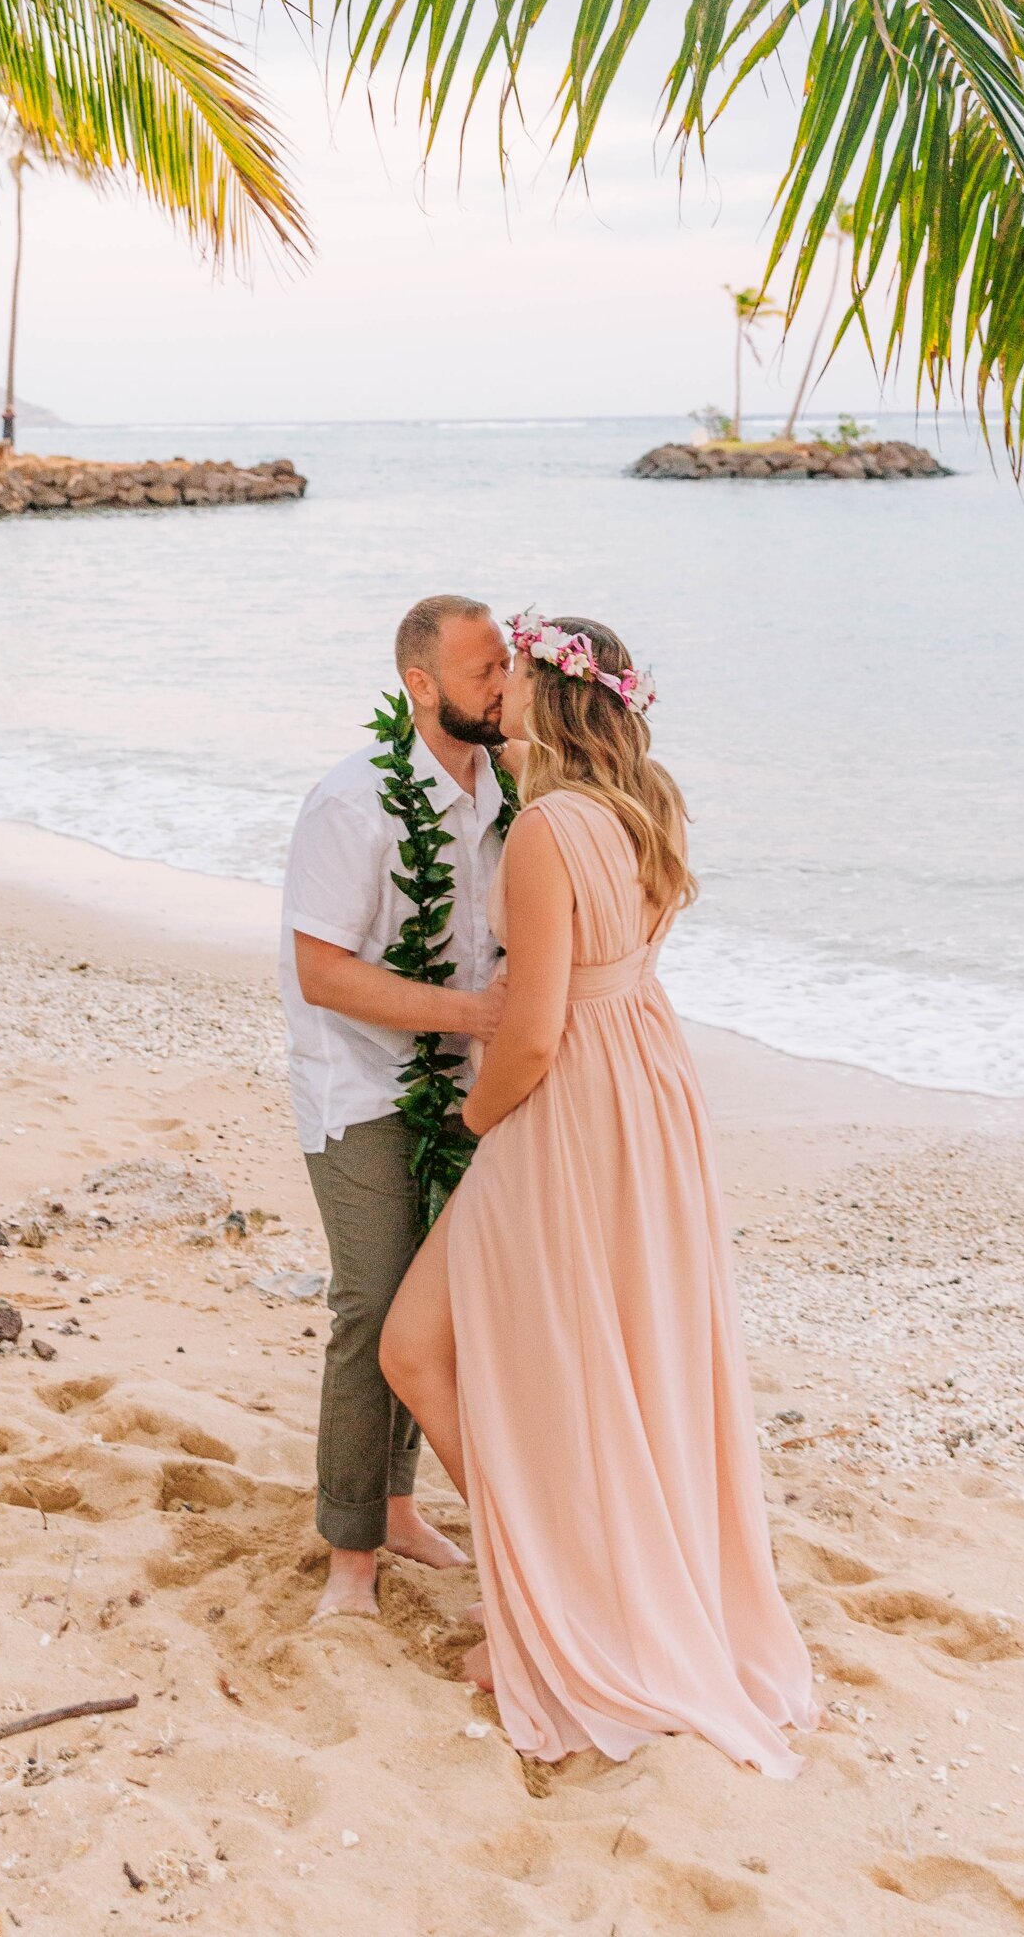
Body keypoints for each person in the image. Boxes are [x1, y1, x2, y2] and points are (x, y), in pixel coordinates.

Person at [380, 612, 815, 1771]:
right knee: (621, 1359)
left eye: (513, 672)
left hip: (566, 1104)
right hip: (647, 1092)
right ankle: (569, 1589)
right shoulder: (645, 809)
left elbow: (525, 1036)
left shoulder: (543, 831)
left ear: (551, 695)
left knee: (417, 1349)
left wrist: (473, 1130)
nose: (502, 689)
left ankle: (558, 1607)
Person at [281, 593, 511, 1620]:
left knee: (436, 1307)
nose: (502, 687)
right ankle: (348, 1552)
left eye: (505, 665)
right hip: (360, 1084)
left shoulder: (510, 789)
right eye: (481, 673)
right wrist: (472, 1011)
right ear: (419, 687)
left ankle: (401, 1501)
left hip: (465, 1082)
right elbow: (322, 973)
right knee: (373, 1304)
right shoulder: (353, 802)